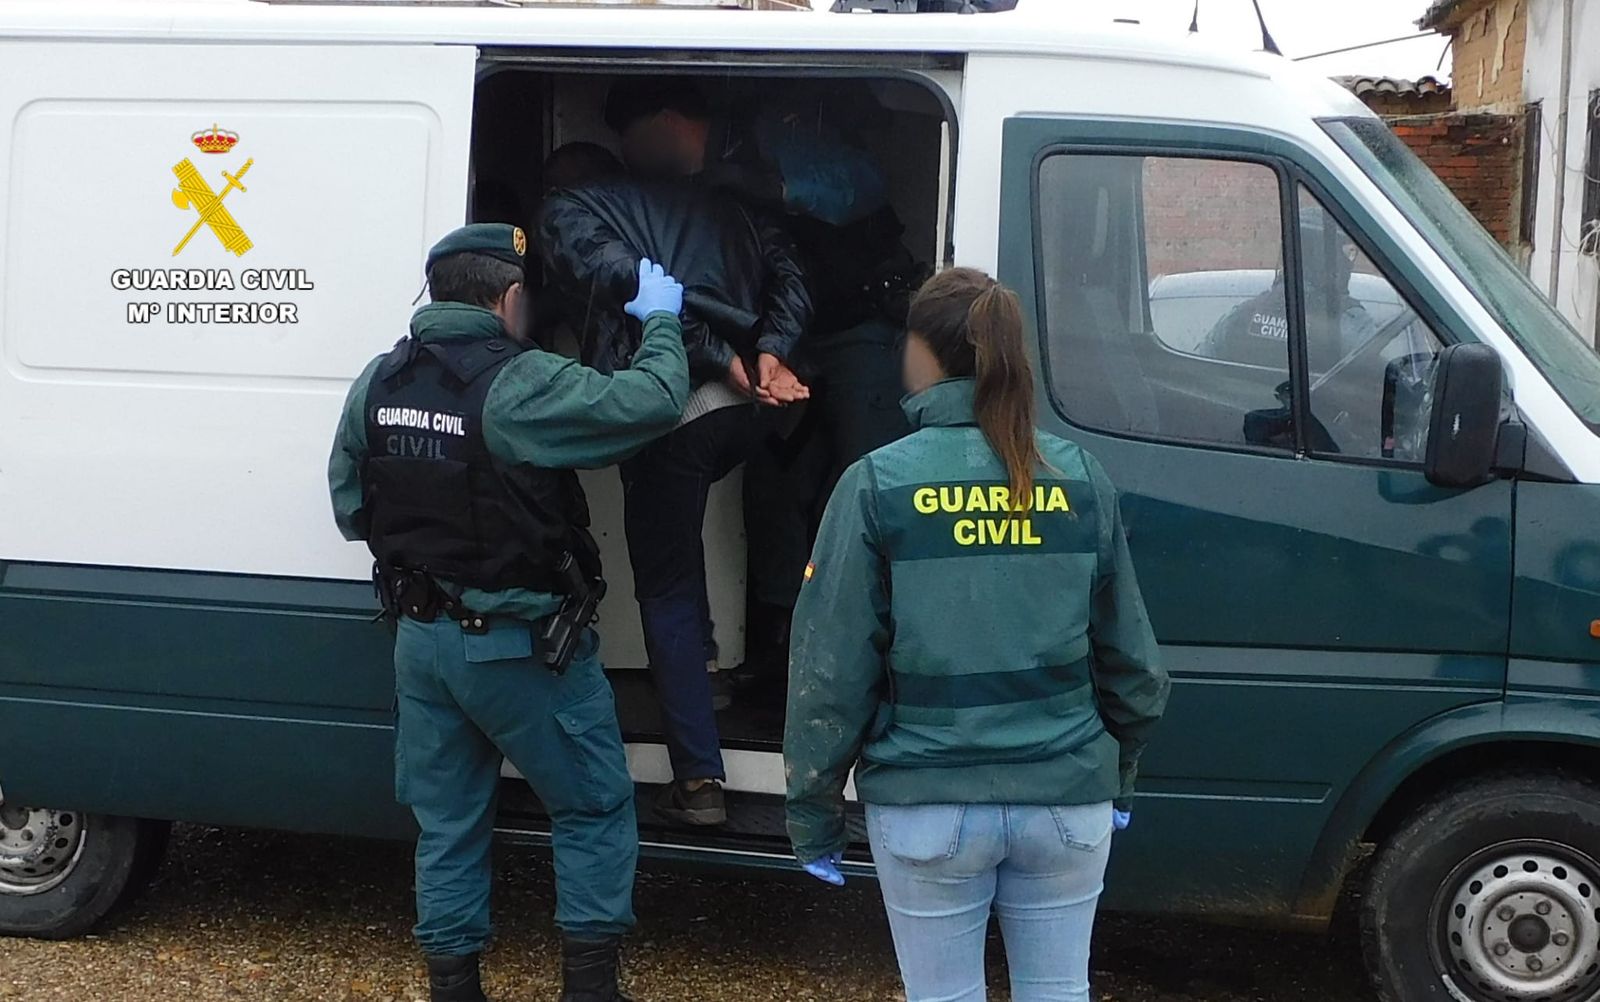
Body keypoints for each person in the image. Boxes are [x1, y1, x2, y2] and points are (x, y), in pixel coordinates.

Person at [784, 268, 1170, 1002]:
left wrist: (813, 811)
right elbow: (1135, 666)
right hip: (1066, 803)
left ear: (923, 355)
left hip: (928, 808)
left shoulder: (875, 485)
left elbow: (829, 674)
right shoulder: (1080, 477)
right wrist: (1119, 773)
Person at [328, 223, 689, 1002]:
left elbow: (354, 511)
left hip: (421, 646)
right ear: (511, 297)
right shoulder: (519, 382)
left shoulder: (379, 382)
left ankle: (455, 990)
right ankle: (590, 993)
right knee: (591, 807)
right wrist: (660, 319)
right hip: (518, 650)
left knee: (449, 823)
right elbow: (653, 402)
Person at [603, 78, 923, 705]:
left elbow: (859, 186)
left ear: (664, 117)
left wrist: (765, 188)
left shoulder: (768, 131)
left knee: (870, 486)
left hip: (857, 330)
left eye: (630, 138)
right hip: (771, 352)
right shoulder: (678, 193)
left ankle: (875, 659)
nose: (628, 155)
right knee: (776, 491)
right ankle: (783, 647)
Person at [535, 143, 813, 826]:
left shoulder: (565, 212)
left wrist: (723, 360)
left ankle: (699, 779)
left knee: (666, 583)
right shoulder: (725, 205)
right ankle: (709, 672)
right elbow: (794, 274)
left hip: (678, 409)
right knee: (684, 548)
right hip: (752, 412)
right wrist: (770, 350)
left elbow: (636, 288)